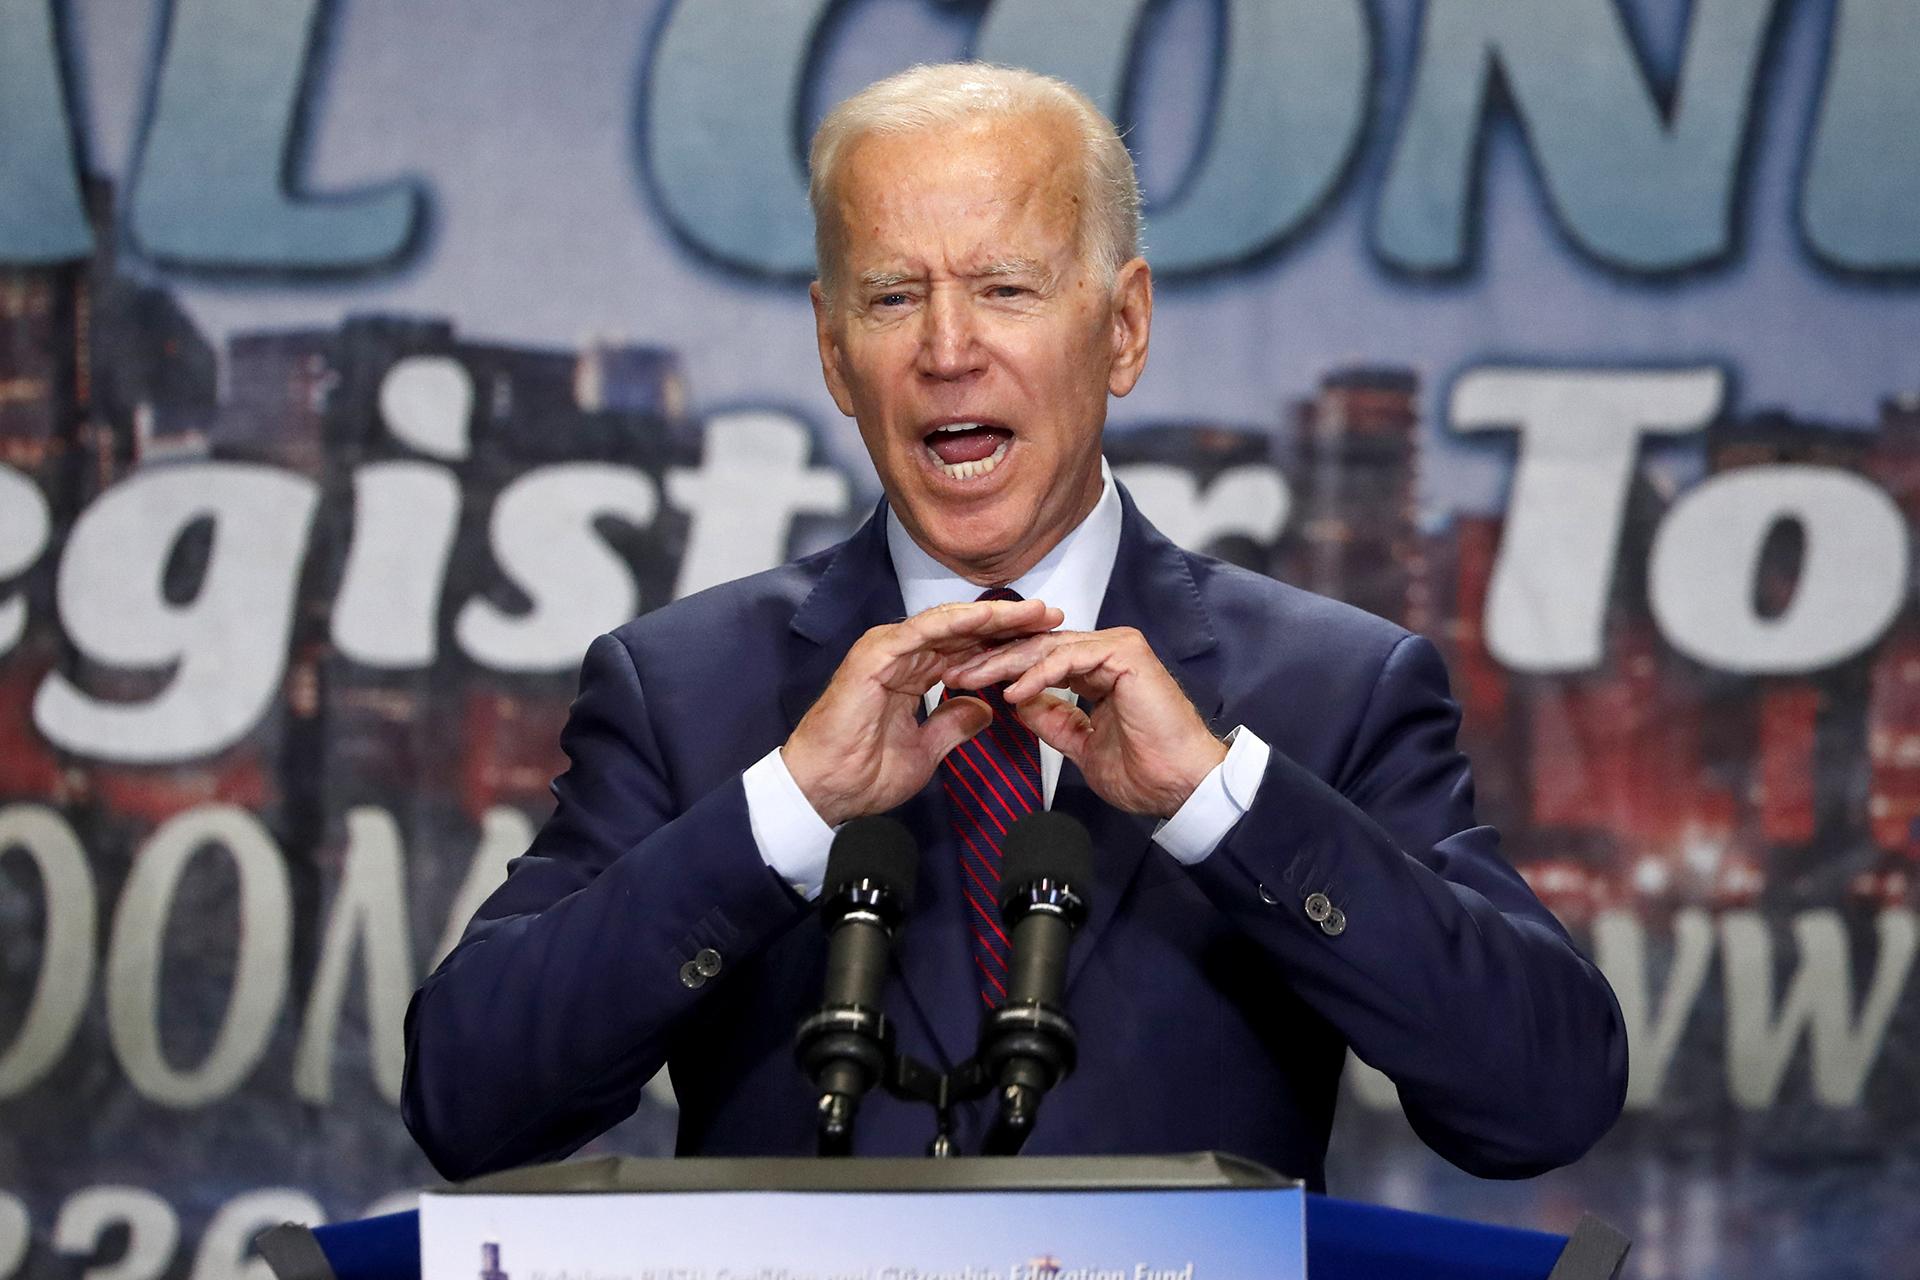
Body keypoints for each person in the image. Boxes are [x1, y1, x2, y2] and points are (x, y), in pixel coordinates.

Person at [402, 63, 1626, 1188]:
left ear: (1124, 326)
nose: (947, 348)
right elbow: (468, 1100)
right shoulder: (681, 688)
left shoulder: (1333, 687)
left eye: (1005, 288)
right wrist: (783, 809)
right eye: (894, 297)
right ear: (835, 354)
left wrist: (1216, 803)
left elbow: (1543, 1095)